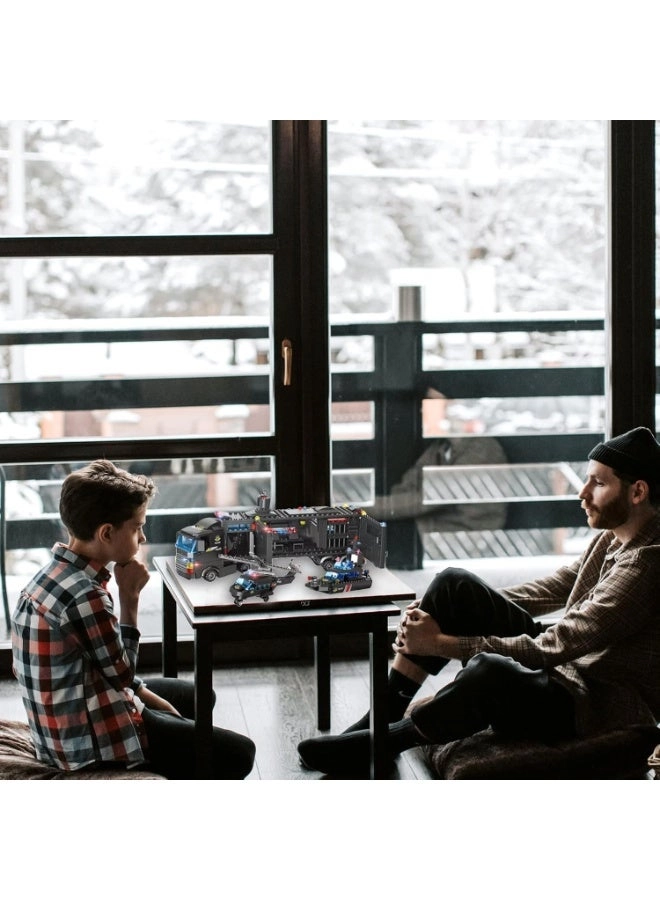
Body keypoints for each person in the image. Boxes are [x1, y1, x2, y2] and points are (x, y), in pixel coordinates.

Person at [297, 426, 660, 777]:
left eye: (598, 483)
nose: (582, 493)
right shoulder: (614, 537)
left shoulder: (648, 563)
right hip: (565, 670)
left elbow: (558, 644)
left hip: (590, 702)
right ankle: (385, 713)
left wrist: (443, 643)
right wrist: (461, 611)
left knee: (490, 671)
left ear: (637, 491)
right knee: (454, 585)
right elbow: (556, 587)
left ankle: (387, 742)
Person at [11, 459, 255, 780]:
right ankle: (158, 759)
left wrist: (149, 699)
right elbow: (123, 675)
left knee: (199, 697)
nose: (142, 538)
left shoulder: (48, 577)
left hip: (69, 717)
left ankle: (179, 746)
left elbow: (103, 668)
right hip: (89, 743)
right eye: (138, 526)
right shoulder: (86, 596)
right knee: (241, 754)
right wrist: (130, 598)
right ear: (107, 533)